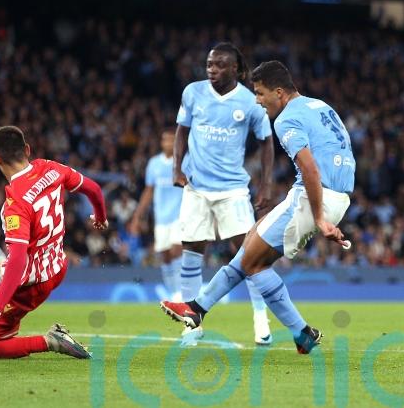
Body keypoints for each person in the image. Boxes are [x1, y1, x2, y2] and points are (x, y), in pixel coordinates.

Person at [161, 60, 355, 354]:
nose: (257, 100)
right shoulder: (319, 106)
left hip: (315, 196)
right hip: (332, 194)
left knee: (254, 263)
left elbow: (310, 169)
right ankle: (196, 308)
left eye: (261, 93)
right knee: (250, 243)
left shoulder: (286, 119)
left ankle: (300, 331)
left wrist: (319, 217)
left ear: (279, 92)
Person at [0, 126, 108, 359]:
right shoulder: (52, 168)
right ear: (27, 149)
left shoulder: (15, 202)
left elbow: (18, 258)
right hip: (57, 268)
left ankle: (50, 341)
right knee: (1, 326)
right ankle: (2, 268)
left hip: (27, 287)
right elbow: (94, 189)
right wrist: (100, 217)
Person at [173, 42, 274, 345]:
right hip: (196, 187)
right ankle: (192, 323)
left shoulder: (249, 101)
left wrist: (266, 184)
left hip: (233, 190)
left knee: (250, 254)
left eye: (219, 65)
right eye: (209, 64)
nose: (212, 70)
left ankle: (261, 319)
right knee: (191, 250)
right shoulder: (193, 92)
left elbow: (267, 141)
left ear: (235, 69)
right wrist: (176, 168)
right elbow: (181, 131)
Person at [129, 128, 182, 300]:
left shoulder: (184, 161)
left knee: (176, 250)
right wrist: (137, 216)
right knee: (165, 256)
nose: (169, 143)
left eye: (172, 140)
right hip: (161, 218)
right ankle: (174, 292)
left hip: (180, 216)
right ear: (162, 142)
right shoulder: (154, 164)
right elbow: (149, 191)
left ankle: (180, 293)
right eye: (166, 140)